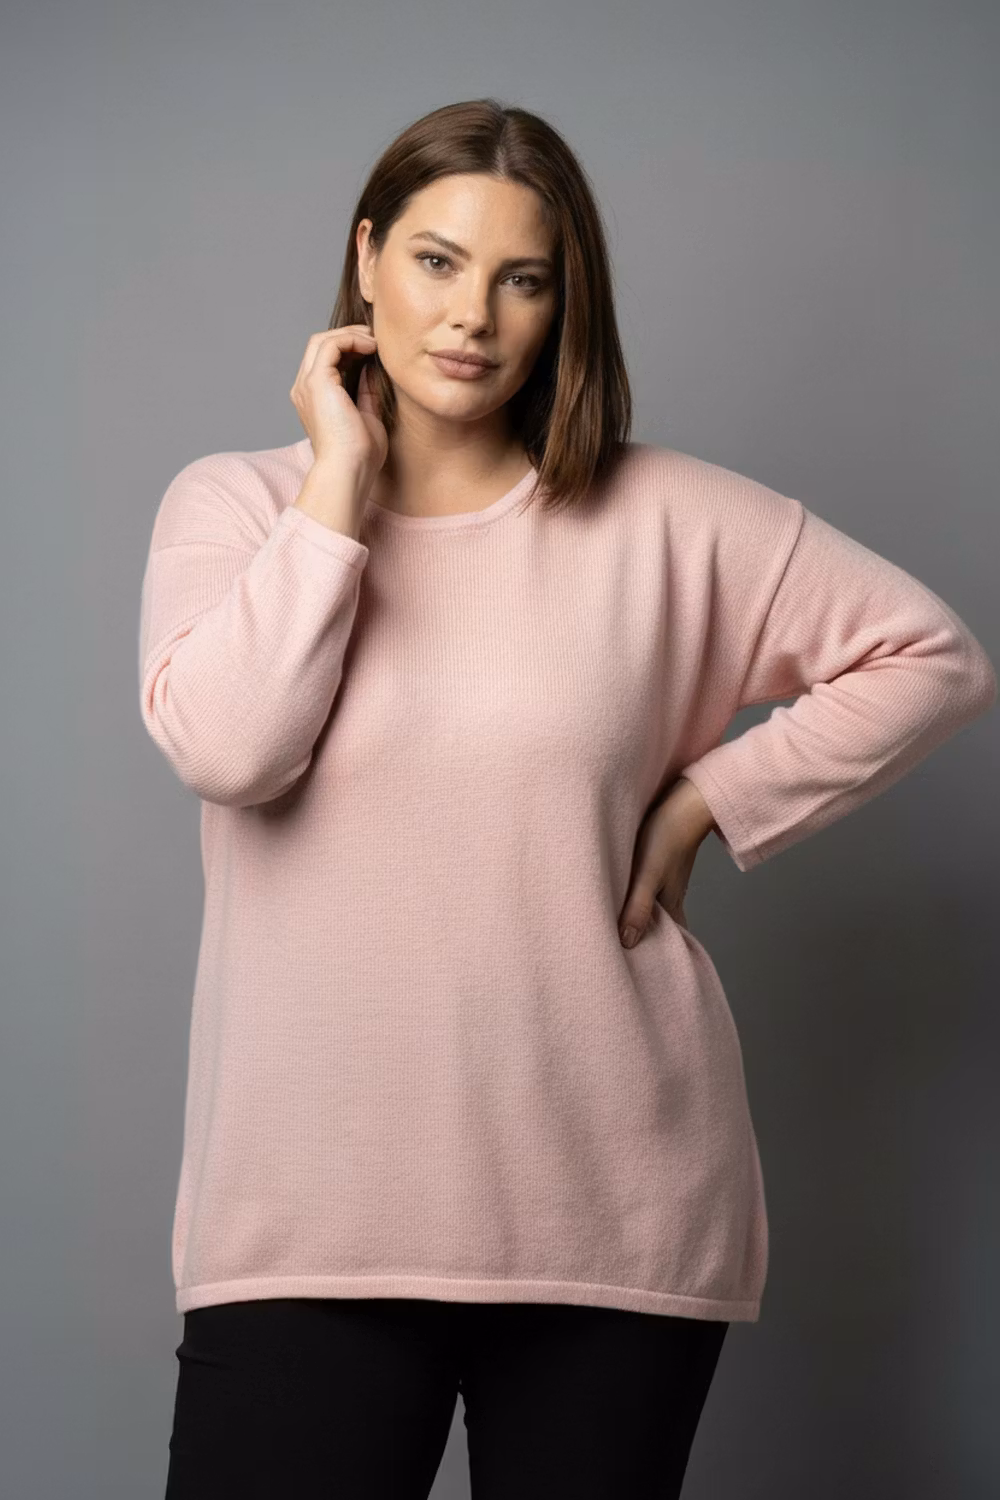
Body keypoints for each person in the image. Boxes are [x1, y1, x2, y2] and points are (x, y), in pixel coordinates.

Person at [139, 99, 996, 1499]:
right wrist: (338, 493)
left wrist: (711, 793)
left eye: (521, 278)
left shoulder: (666, 520)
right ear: (366, 257)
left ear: (562, 303)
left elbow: (933, 657)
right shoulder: (235, 510)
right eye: (436, 261)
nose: (471, 315)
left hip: (609, 1219)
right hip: (307, 1224)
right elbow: (234, 750)